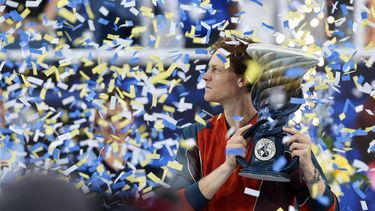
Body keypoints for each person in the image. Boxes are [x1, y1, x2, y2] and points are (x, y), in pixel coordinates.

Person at [168, 36, 339, 210]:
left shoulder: (285, 141)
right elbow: (174, 206)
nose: (205, 77)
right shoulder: (195, 136)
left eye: (215, 70)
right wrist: (227, 167)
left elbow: (330, 208)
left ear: (242, 79)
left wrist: (309, 170)